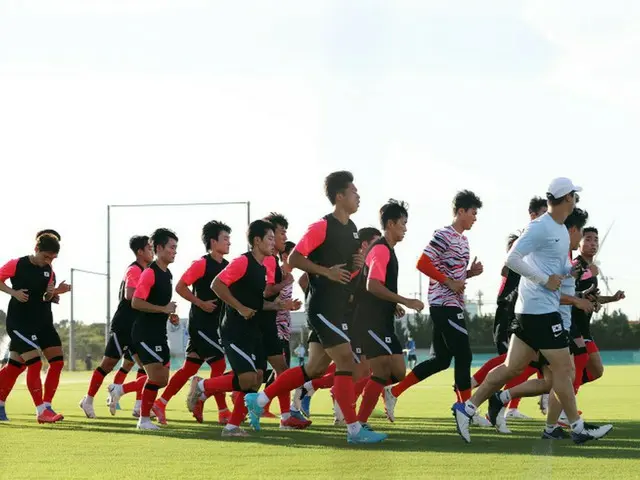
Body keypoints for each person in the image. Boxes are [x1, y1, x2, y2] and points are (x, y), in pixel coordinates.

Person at [453, 177, 612, 445]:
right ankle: (577, 427)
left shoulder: (561, 230)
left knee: (511, 367)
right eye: (574, 196)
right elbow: (512, 259)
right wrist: (544, 280)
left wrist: (571, 272)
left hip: (533, 310)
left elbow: (559, 269)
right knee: (565, 369)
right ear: (567, 199)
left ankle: (466, 408)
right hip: (540, 310)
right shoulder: (539, 227)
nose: (576, 200)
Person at [243, 171, 388, 444]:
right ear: (339, 196)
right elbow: (295, 258)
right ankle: (354, 429)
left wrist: (356, 267)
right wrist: (326, 272)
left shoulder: (352, 228)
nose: (358, 196)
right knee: (346, 361)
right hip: (323, 307)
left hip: (337, 308)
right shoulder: (321, 226)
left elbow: (346, 271)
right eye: (354, 191)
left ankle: (259, 399)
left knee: (315, 369)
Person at [186, 220, 300, 437]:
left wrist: (281, 305)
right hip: (234, 329)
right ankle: (203, 388)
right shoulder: (242, 262)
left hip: (253, 328)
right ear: (257, 241)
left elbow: (258, 303)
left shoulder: (260, 267)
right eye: (269, 238)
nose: (273, 242)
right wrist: (239, 307)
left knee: (255, 379)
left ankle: (232, 427)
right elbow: (216, 284)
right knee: (248, 378)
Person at [383, 190, 483, 423]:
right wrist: (449, 282)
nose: (475, 218)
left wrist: (469, 274)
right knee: (464, 354)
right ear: (460, 212)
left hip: (453, 304)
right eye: (473, 213)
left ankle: (393, 391)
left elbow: (453, 275)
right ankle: (465, 410)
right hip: (443, 304)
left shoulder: (464, 241)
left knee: (441, 360)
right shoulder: (444, 235)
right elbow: (422, 262)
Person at [152, 221, 232, 426]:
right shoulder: (201, 264)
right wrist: (200, 303)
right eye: (225, 238)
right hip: (201, 325)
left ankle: (160, 403)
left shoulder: (228, 266)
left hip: (215, 326)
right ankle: (222, 411)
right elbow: (180, 287)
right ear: (213, 242)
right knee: (219, 362)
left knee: (189, 368)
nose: (229, 242)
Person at [354, 199, 424, 429]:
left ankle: (352, 396)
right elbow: (372, 285)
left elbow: (378, 286)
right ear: (391, 224)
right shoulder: (382, 250)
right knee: (382, 371)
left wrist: (392, 304)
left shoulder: (388, 251)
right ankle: (358, 425)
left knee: (398, 372)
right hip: (370, 321)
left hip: (383, 321)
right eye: (403, 223)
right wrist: (404, 300)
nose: (405, 228)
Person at [107, 228, 179, 430]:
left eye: (176, 248)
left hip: (159, 332)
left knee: (162, 379)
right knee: (156, 377)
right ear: (159, 248)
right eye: (171, 247)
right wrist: (163, 309)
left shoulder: (168, 274)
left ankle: (120, 390)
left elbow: (156, 304)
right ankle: (144, 420)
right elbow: (136, 302)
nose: (175, 251)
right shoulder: (149, 273)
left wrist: (168, 314)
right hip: (144, 333)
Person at [80, 235, 153, 418]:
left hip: (138, 327)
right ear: (140, 251)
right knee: (108, 364)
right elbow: (130, 295)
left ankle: (138, 406)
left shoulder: (148, 270)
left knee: (147, 367)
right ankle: (87, 400)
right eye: (149, 248)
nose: (152, 251)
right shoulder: (134, 270)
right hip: (124, 326)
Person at [0, 233, 62, 423]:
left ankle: (1, 405)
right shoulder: (17, 264)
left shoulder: (49, 270)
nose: (48, 261)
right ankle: (42, 411)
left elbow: (45, 296)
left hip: (41, 323)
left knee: (15, 366)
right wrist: (14, 292)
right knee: (34, 364)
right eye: (46, 256)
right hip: (20, 323)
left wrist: (54, 294)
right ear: (36, 249)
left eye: (52, 258)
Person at [256, 213, 310, 428]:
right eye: (281, 232)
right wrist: (282, 294)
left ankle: (286, 416)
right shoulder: (269, 262)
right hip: (267, 324)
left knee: (279, 371)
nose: (283, 236)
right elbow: (264, 292)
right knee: (254, 376)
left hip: (277, 325)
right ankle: (206, 388)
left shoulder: (273, 263)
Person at [572, 227, 625, 388]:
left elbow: (590, 297)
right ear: (578, 243)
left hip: (584, 327)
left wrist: (612, 299)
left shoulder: (592, 269)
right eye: (587, 239)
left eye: (595, 239)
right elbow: (566, 293)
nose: (593, 243)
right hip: (571, 325)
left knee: (596, 371)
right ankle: (563, 403)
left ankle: (558, 392)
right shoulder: (576, 266)